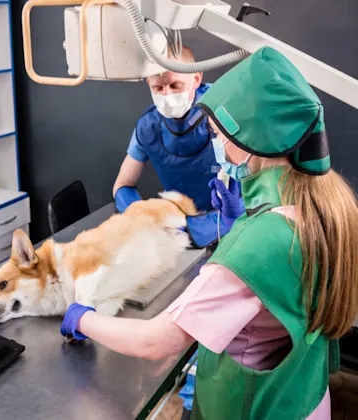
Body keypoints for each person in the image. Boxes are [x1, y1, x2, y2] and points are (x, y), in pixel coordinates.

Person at [61, 46, 358, 419]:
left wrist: (80, 317)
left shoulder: (258, 244)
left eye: (220, 135)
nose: (218, 144)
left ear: (249, 139)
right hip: (305, 400)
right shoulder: (327, 208)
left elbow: (158, 342)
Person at [113, 45, 242, 248]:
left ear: (196, 79)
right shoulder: (148, 127)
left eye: (175, 86)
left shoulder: (224, 112)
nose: (167, 95)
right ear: (148, 82)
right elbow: (122, 186)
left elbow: (262, 183)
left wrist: (218, 222)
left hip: (230, 226)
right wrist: (145, 216)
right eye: (158, 88)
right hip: (177, 227)